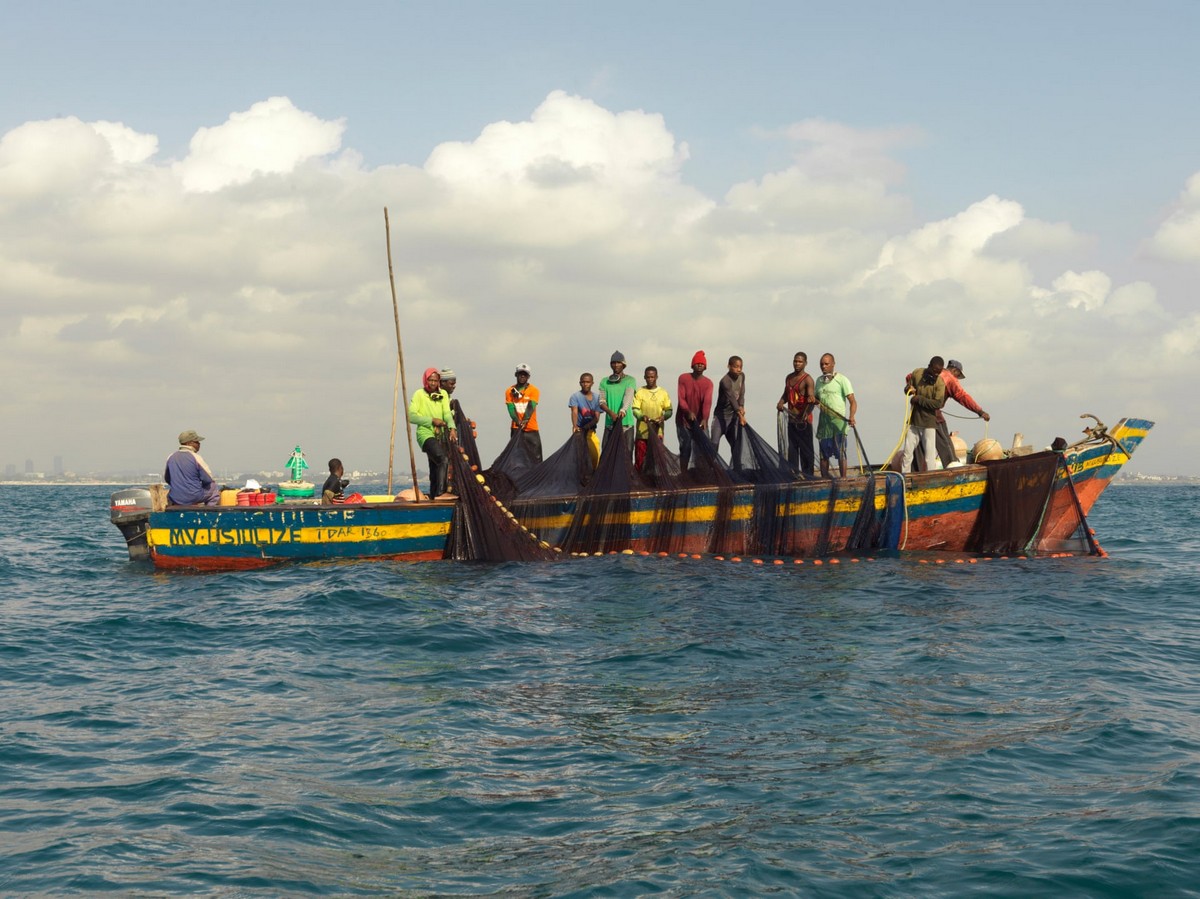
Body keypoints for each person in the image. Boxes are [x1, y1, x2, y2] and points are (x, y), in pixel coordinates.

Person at [408, 367, 457, 497]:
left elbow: (446, 413)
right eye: (430, 380)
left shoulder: (443, 395)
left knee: (435, 466)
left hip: (439, 435)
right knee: (442, 459)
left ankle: (434, 494)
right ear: (425, 380)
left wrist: (452, 428)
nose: (433, 383)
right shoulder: (419, 394)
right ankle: (441, 494)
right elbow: (411, 416)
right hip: (425, 434)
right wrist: (431, 421)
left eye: (436, 380)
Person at [933, 359, 990, 467]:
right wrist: (980, 411)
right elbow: (963, 397)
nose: (957, 378)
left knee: (918, 444)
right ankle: (953, 466)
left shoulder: (933, 372)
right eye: (958, 375)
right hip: (933, 412)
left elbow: (910, 377)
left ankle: (913, 469)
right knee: (945, 441)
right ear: (955, 370)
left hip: (917, 411)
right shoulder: (950, 379)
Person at [901, 356, 948, 473]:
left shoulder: (940, 383)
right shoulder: (917, 373)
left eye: (939, 373)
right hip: (914, 421)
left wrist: (919, 399)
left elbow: (938, 404)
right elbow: (907, 389)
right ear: (929, 366)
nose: (936, 375)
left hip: (929, 424)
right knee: (907, 453)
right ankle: (904, 478)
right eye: (934, 371)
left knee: (929, 456)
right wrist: (908, 389)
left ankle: (930, 479)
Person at [815, 354, 857, 479]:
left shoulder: (842, 380)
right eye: (822, 364)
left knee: (841, 453)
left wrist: (852, 416)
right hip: (824, 426)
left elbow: (853, 401)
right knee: (823, 455)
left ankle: (843, 479)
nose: (824, 366)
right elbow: (816, 400)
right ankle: (824, 480)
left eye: (826, 364)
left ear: (833, 364)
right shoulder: (818, 381)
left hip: (839, 425)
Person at [777, 351, 816, 478]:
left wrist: (810, 400)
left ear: (805, 363)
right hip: (792, 420)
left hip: (804, 422)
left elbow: (811, 398)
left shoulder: (808, 380)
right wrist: (781, 402)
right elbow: (786, 394)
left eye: (800, 361)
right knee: (792, 450)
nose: (797, 364)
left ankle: (808, 476)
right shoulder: (789, 377)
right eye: (795, 361)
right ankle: (794, 475)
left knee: (806, 451)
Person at [675, 350, 713, 471]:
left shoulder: (708, 383)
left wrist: (705, 418)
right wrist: (687, 412)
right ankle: (684, 474)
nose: (700, 365)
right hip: (683, 420)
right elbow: (681, 399)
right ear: (692, 365)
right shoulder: (683, 378)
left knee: (704, 447)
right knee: (685, 446)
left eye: (702, 364)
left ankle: (703, 473)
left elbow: (707, 402)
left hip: (700, 421)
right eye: (697, 363)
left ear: (705, 366)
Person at [164, 429, 221, 505]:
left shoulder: (170, 457)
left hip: (176, 498)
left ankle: (173, 510)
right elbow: (208, 479)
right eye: (196, 442)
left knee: (171, 494)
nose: (199, 444)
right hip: (194, 497)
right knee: (213, 488)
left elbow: (167, 479)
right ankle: (209, 513)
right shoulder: (196, 457)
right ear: (189, 443)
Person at [632, 366, 673, 471]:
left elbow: (669, 410)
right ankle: (640, 482)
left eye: (652, 377)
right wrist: (642, 417)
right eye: (648, 377)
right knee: (640, 460)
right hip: (642, 433)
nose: (650, 379)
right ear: (644, 377)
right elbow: (635, 410)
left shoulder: (663, 393)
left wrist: (663, 417)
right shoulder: (640, 392)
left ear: (656, 377)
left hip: (657, 432)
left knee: (657, 460)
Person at [597, 351, 637, 455]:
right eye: (613, 363)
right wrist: (611, 413)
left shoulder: (630, 380)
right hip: (610, 424)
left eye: (618, 362)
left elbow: (628, 396)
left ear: (623, 364)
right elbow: (601, 402)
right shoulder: (604, 381)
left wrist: (623, 410)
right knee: (606, 453)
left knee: (627, 454)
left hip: (626, 425)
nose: (616, 365)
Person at [505, 363, 542, 464]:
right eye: (520, 374)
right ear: (516, 375)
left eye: (524, 374)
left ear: (528, 377)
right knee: (516, 458)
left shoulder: (534, 390)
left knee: (536, 457)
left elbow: (531, 406)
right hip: (516, 429)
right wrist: (517, 421)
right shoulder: (509, 391)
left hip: (531, 429)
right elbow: (511, 408)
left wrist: (525, 420)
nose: (522, 376)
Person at [712, 355, 747, 452]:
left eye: (740, 367)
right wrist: (740, 414)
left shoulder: (742, 376)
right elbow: (731, 398)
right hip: (720, 418)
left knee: (736, 446)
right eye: (736, 367)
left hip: (733, 418)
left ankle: (737, 467)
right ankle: (711, 466)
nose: (739, 369)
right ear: (729, 366)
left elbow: (742, 392)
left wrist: (742, 406)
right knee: (714, 445)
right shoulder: (725, 381)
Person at [568, 372, 602, 468]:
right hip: (579, 432)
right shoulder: (575, 396)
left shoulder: (597, 398)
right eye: (583, 382)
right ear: (580, 383)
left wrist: (588, 426)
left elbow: (597, 418)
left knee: (595, 456)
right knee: (580, 458)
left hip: (591, 432)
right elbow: (574, 412)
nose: (585, 384)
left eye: (587, 382)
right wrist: (575, 426)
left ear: (592, 383)